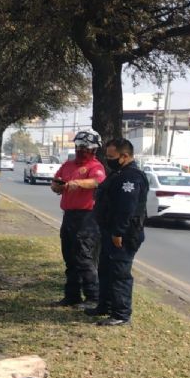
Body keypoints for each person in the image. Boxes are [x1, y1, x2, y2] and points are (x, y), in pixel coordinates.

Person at [87, 138, 148, 326]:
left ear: (125, 156)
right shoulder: (118, 174)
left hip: (123, 233)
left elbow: (126, 208)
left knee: (119, 272)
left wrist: (118, 232)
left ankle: (121, 314)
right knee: (105, 270)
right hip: (109, 230)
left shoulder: (131, 177)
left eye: (111, 156)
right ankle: (104, 306)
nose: (108, 159)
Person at [50, 129, 106, 308]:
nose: (81, 150)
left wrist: (78, 183)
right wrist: (57, 186)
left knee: (84, 258)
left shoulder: (95, 166)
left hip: (87, 218)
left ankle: (93, 297)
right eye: (79, 146)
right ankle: (72, 295)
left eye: (86, 148)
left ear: (94, 150)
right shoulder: (68, 165)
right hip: (69, 216)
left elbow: (96, 182)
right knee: (69, 258)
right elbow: (56, 181)